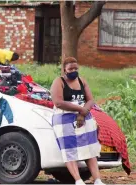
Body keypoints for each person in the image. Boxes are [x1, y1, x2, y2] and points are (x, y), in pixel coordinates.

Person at [50, 57, 105, 185]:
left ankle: (97, 180)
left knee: (90, 149)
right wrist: (81, 109)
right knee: (69, 150)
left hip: (84, 117)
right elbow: (58, 102)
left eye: (76, 68)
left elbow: (90, 100)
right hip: (64, 119)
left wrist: (83, 112)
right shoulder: (59, 82)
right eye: (70, 69)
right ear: (64, 70)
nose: (73, 71)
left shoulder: (82, 81)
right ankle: (78, 180)